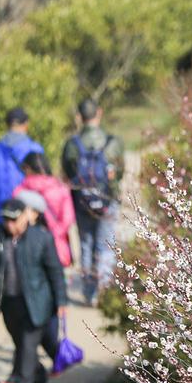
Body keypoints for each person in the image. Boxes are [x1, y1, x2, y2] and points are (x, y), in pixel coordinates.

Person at [0, 197, 68, 383]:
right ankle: (38, 376)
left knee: (28, 345)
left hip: (36, 303)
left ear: (24, 217)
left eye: (14, 220)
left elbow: (55, 271)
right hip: (10, 303)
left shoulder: (42, 238)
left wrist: (61, 300)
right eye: (6, 220)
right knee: (21, 344)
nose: (10, 225)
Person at [61, 99, 124, 307]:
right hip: (107, 200)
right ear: (100, 112)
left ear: (79, 116)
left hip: (81, 201)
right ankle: (104, 290)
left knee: (86, 244)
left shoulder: (72, 145)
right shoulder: (113, 142)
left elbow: (68, 172)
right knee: (106, 245)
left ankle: (88, 293)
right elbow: (120, 172)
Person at [0, 107, 44, 224]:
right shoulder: (35, 149)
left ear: (7, 125)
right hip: (29, 211)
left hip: (1, 210)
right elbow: (43, 181)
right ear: (26, 124)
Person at [13, 151, 75, 269]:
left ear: (28, 168)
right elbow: (67, 220)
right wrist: (53, 235)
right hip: (56, 247)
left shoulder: (20, 191)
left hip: (27, 246)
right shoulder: (60, 188)